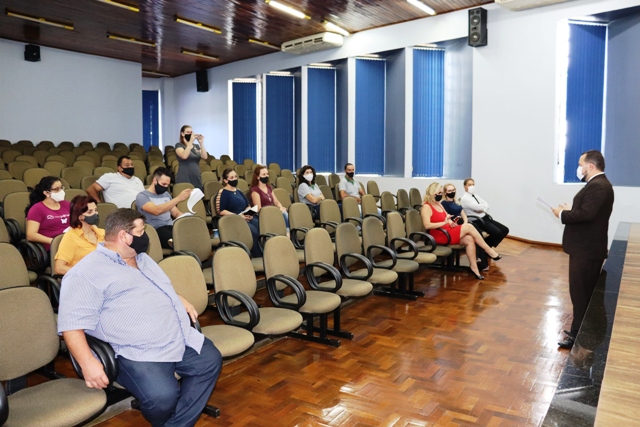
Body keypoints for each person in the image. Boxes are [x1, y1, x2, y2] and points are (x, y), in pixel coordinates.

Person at [58, 209, 222, 427]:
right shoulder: (85, 273)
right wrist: (88, 363)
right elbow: (71, 325)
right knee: (162, 398)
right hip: (136, 351)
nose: (146, 236)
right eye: (141, 231)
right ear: (125, 236)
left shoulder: (142, 259)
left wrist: (177, 297)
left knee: (209, 361)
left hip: (176, 335)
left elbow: (155, 286)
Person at [552, 150, 613, 349]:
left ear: (590, 166)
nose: (578, 167)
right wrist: (570, 210)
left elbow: (586, 215)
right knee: (580, 293)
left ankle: (580, 336)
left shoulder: (599, 186)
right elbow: (588, 213)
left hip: (586, 250)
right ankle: (581, 332)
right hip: (585, 248)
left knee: (580, 294)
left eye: (580, 164)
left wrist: (562, 214)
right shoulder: (598, 185)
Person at [422, 182, 502, 280]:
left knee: (469, 239)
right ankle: (489, 250)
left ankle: (474, 268)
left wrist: (451, 221)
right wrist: (444, 223)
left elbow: (447, 217)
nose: (440, 195)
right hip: (439, 235)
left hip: (447, 230)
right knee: (469, 227)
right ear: (431, 193)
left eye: (440, 193)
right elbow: (427, 225)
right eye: (438, 193)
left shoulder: (439, 204)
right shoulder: (426, 207)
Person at [136, 167, 192, 249]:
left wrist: (187, 218)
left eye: (168, 185)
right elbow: (156, 211)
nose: (165, 187)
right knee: (178, 241)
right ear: (155, 180)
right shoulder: (142, 196)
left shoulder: (166, 194)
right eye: (163, 184)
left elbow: (176, 213)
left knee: (191, 234)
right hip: (156, 229)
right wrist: (178, 198)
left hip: (171, 226)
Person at [442, 183, 488, 271]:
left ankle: (481, 259)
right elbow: (446, 218)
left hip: (462, 223)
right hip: (454, 225)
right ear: (445, 192)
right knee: (476, 233)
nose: (452, 192)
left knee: (476, 230)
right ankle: (482, 259)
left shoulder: (456, 202)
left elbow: (463, 214)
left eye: (453, 190)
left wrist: (465, 223)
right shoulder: (444, 203)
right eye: (449, 191)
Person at [215, 168, 261, 257]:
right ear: (225, 180)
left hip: (245, 216)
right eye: (231, 178)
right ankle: (257, 256)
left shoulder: (239, 191)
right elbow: (220, 211)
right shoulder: (223, 192)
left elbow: (247, 205)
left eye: (236, 177)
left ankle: (264, 252)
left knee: (261, 226)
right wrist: (238, 216)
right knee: (254, 232)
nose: (234, 179)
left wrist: (249, 213)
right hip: (233, 219)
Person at [54, 195, 105, 275]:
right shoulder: (71, 237)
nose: (95, 214)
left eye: (96, 210)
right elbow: (59, 268)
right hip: (83, 279)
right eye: (90, 212)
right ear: (80, 217)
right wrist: (85, 273)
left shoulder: (103, 233)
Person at [460, 178, 510, 249]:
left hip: (485, 217)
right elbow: (478, 208)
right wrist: (483, 208)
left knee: (505, 230)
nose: (472, 186)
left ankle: (485, 247)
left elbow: (486, 204)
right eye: (469, 185)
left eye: (473, 185)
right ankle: (485, 249)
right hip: (477, 221)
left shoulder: (475, 195)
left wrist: (483, 209)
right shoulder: (464, 198)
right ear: (465, 186)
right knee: (497, 232)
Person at [25, 176, 71, 250]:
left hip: (70, 242)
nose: (61, 191)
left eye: (61, 188)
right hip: (52, 246)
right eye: (57, 189)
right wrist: (55, 242)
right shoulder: (37, 209)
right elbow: (31, 235)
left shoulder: (66, 204)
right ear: (46, 193)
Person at [175, 125, 208, 189]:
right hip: (184, 175)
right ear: (182, 134)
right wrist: (190, 142)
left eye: (191, 132)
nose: (190, 134)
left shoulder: (196, 146)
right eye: (187, 132)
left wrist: (201, 143)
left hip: (196, 174)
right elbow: (184, 156)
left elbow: (205, 157)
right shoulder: (179, 145)